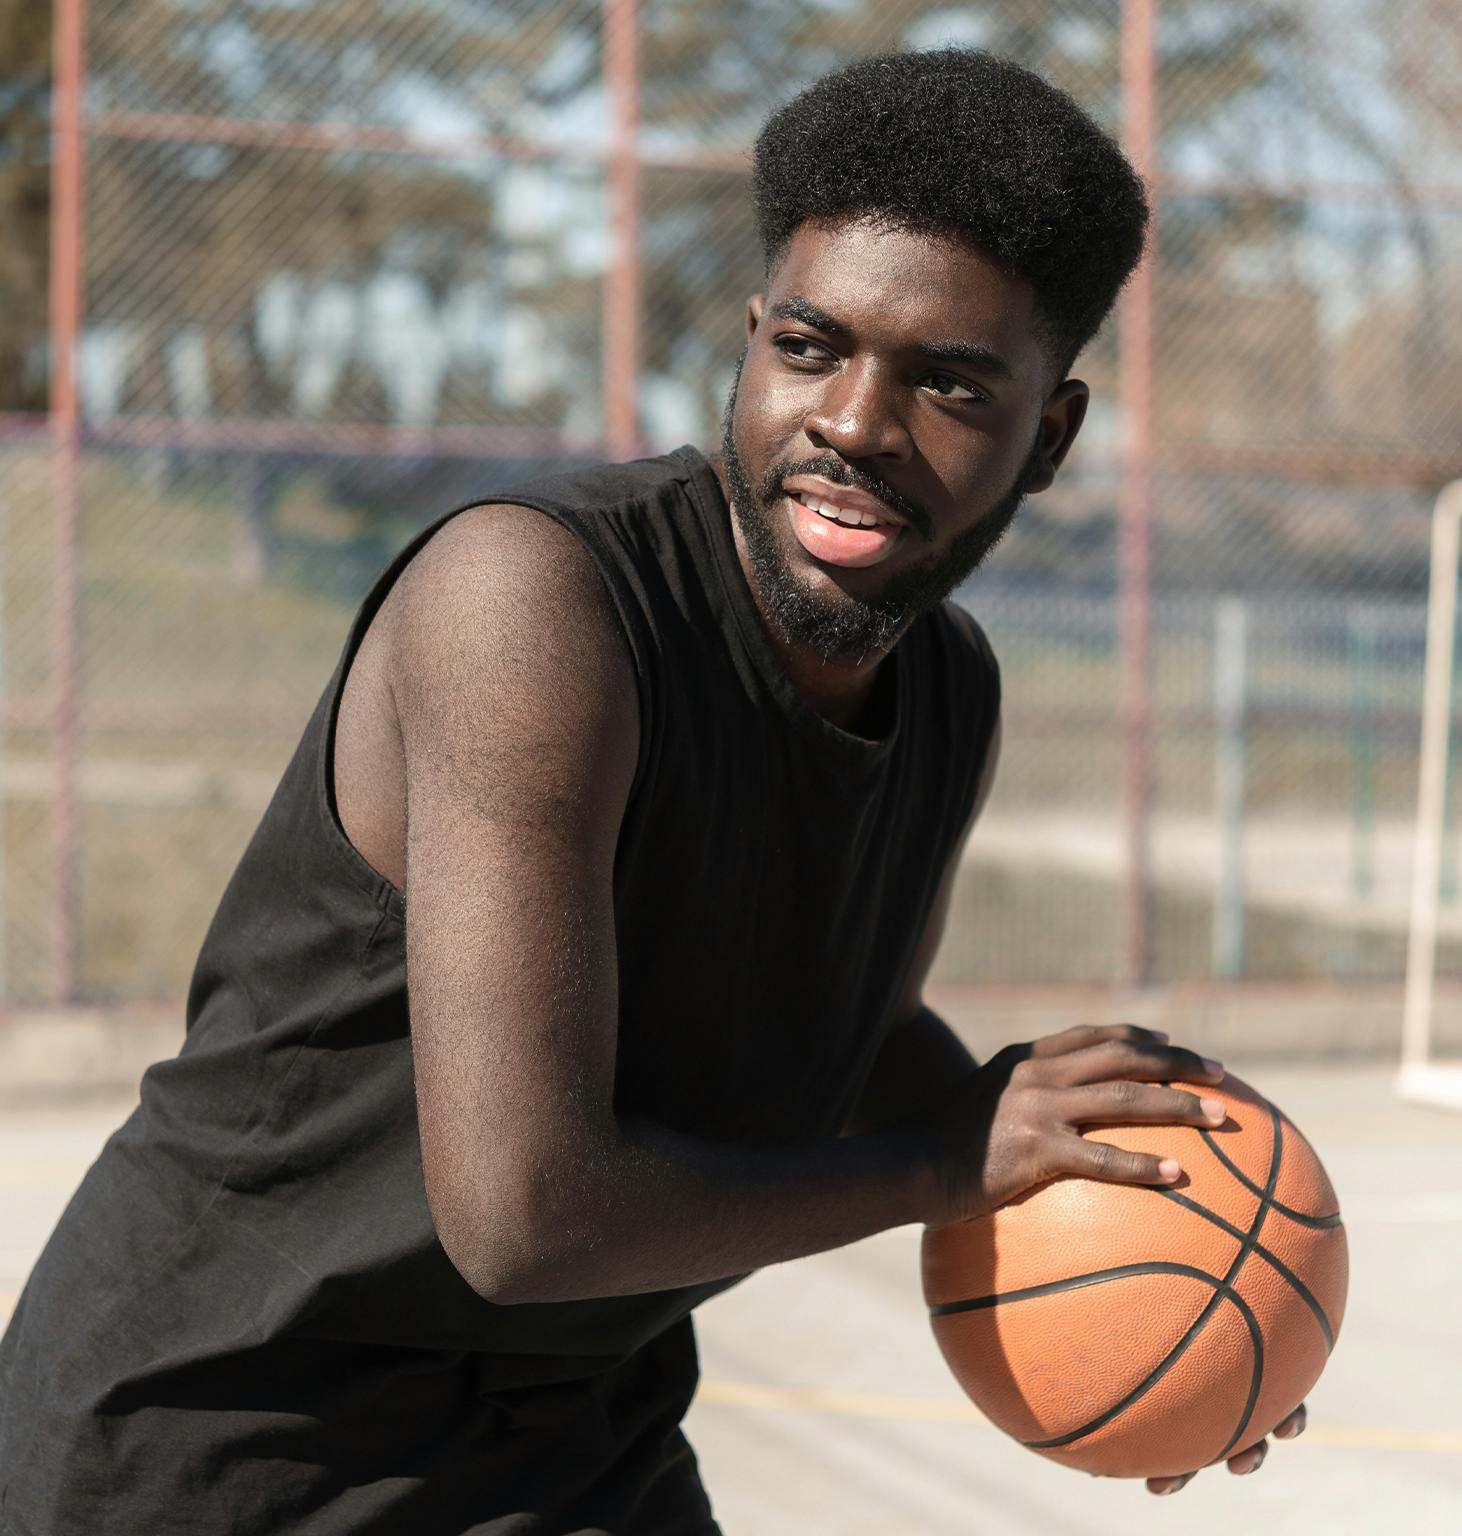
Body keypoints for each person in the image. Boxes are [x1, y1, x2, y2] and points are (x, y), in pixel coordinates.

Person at [0, 48, 1303, 1534]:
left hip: (570, 1440)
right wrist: (947, 1159)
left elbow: (848, 1030)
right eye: (812, 347)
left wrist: (1171, 1249)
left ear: (1049, 437)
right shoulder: (530, 606)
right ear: (750, 343)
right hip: (224, 1437)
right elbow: (526, 1216)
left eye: (947, 383)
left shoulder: (949, 691)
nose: (857, 422)